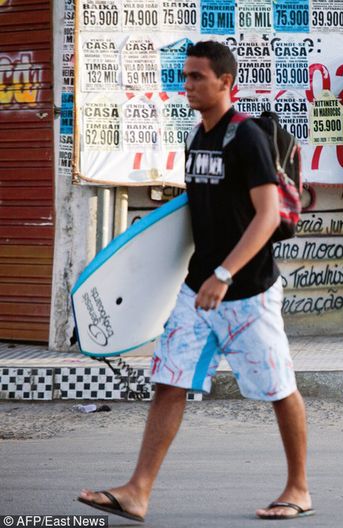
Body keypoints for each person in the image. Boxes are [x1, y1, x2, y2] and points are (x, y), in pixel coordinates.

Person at [78, 41, 313, 521]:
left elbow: (268, 216)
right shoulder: (196, 138)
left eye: (197, 77)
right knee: (169, 381)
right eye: (184, 76)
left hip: (248, 292)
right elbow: (198, 218)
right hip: (198, 290)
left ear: (225, 82)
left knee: (279, 388)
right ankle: (137, 491)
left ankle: (299, 489)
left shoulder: (246, 138)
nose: (186, 85)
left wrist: (225, 274)